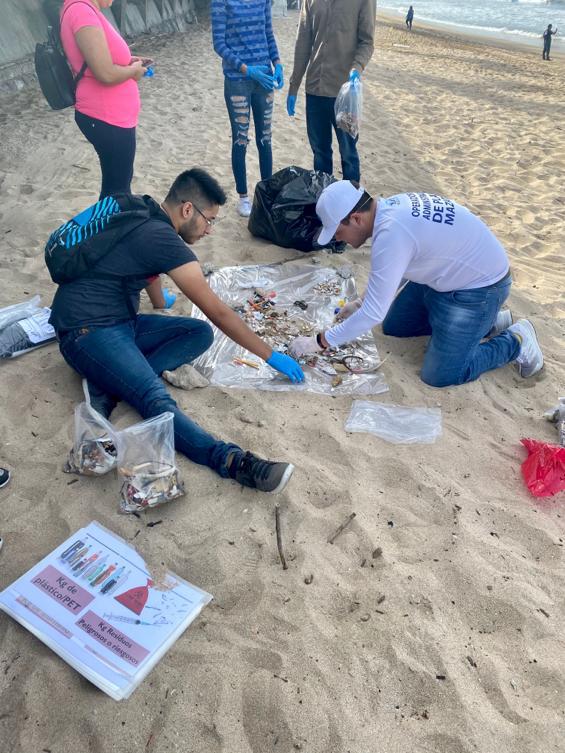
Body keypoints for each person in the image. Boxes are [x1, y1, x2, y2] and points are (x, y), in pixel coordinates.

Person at [50, 168, 304, 493]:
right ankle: (231, 461)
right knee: (154, 397)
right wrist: (270, 356)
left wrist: (161, 302)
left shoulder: (144, 212)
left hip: (119, 323)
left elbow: (146, 271)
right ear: (187, 210)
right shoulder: (163, 239)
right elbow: (219, 312)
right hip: (87, 331)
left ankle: (111, 384)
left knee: (198, 333)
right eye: (209, 220)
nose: (209, 229)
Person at [289, 181, 544, 387]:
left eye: (338, 232)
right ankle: (490, 323)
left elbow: (374, 313)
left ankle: (517, 340)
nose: (338, 239)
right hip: (443, 277)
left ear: (356, 219)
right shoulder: (390, 209)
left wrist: (319, 342)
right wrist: (359, 303)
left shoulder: (391, 233)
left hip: (479, 289)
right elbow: (399, 266)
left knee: (441, 375)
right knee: (395, 327)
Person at [60, 0, 151, 198]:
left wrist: (128, 62)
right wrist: (133, 71)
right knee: (117, 192)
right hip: (106, 115)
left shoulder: (85, 9)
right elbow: (105, 73)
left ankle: (110, 217)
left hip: (111, 115)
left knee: (117, 187)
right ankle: (108, 219)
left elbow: (99, 59)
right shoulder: (81, 11)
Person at [286, 0, 376, 183]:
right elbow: (303, 42)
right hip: (315, 89)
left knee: (348, 153)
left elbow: (367, 42)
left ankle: (351, 199)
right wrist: (294, 86)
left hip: (345, 94)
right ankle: (324, 194)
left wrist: (357, 68)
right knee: (320, 152)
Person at [212, 0, 284, 218]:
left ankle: (266, 194)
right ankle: (243, 197)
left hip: (265, 78)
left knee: (265, 138)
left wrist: (278, 62)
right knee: (240, 139)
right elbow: (219, 44)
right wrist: (246, 69)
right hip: (237, 81)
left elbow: (268, 33)